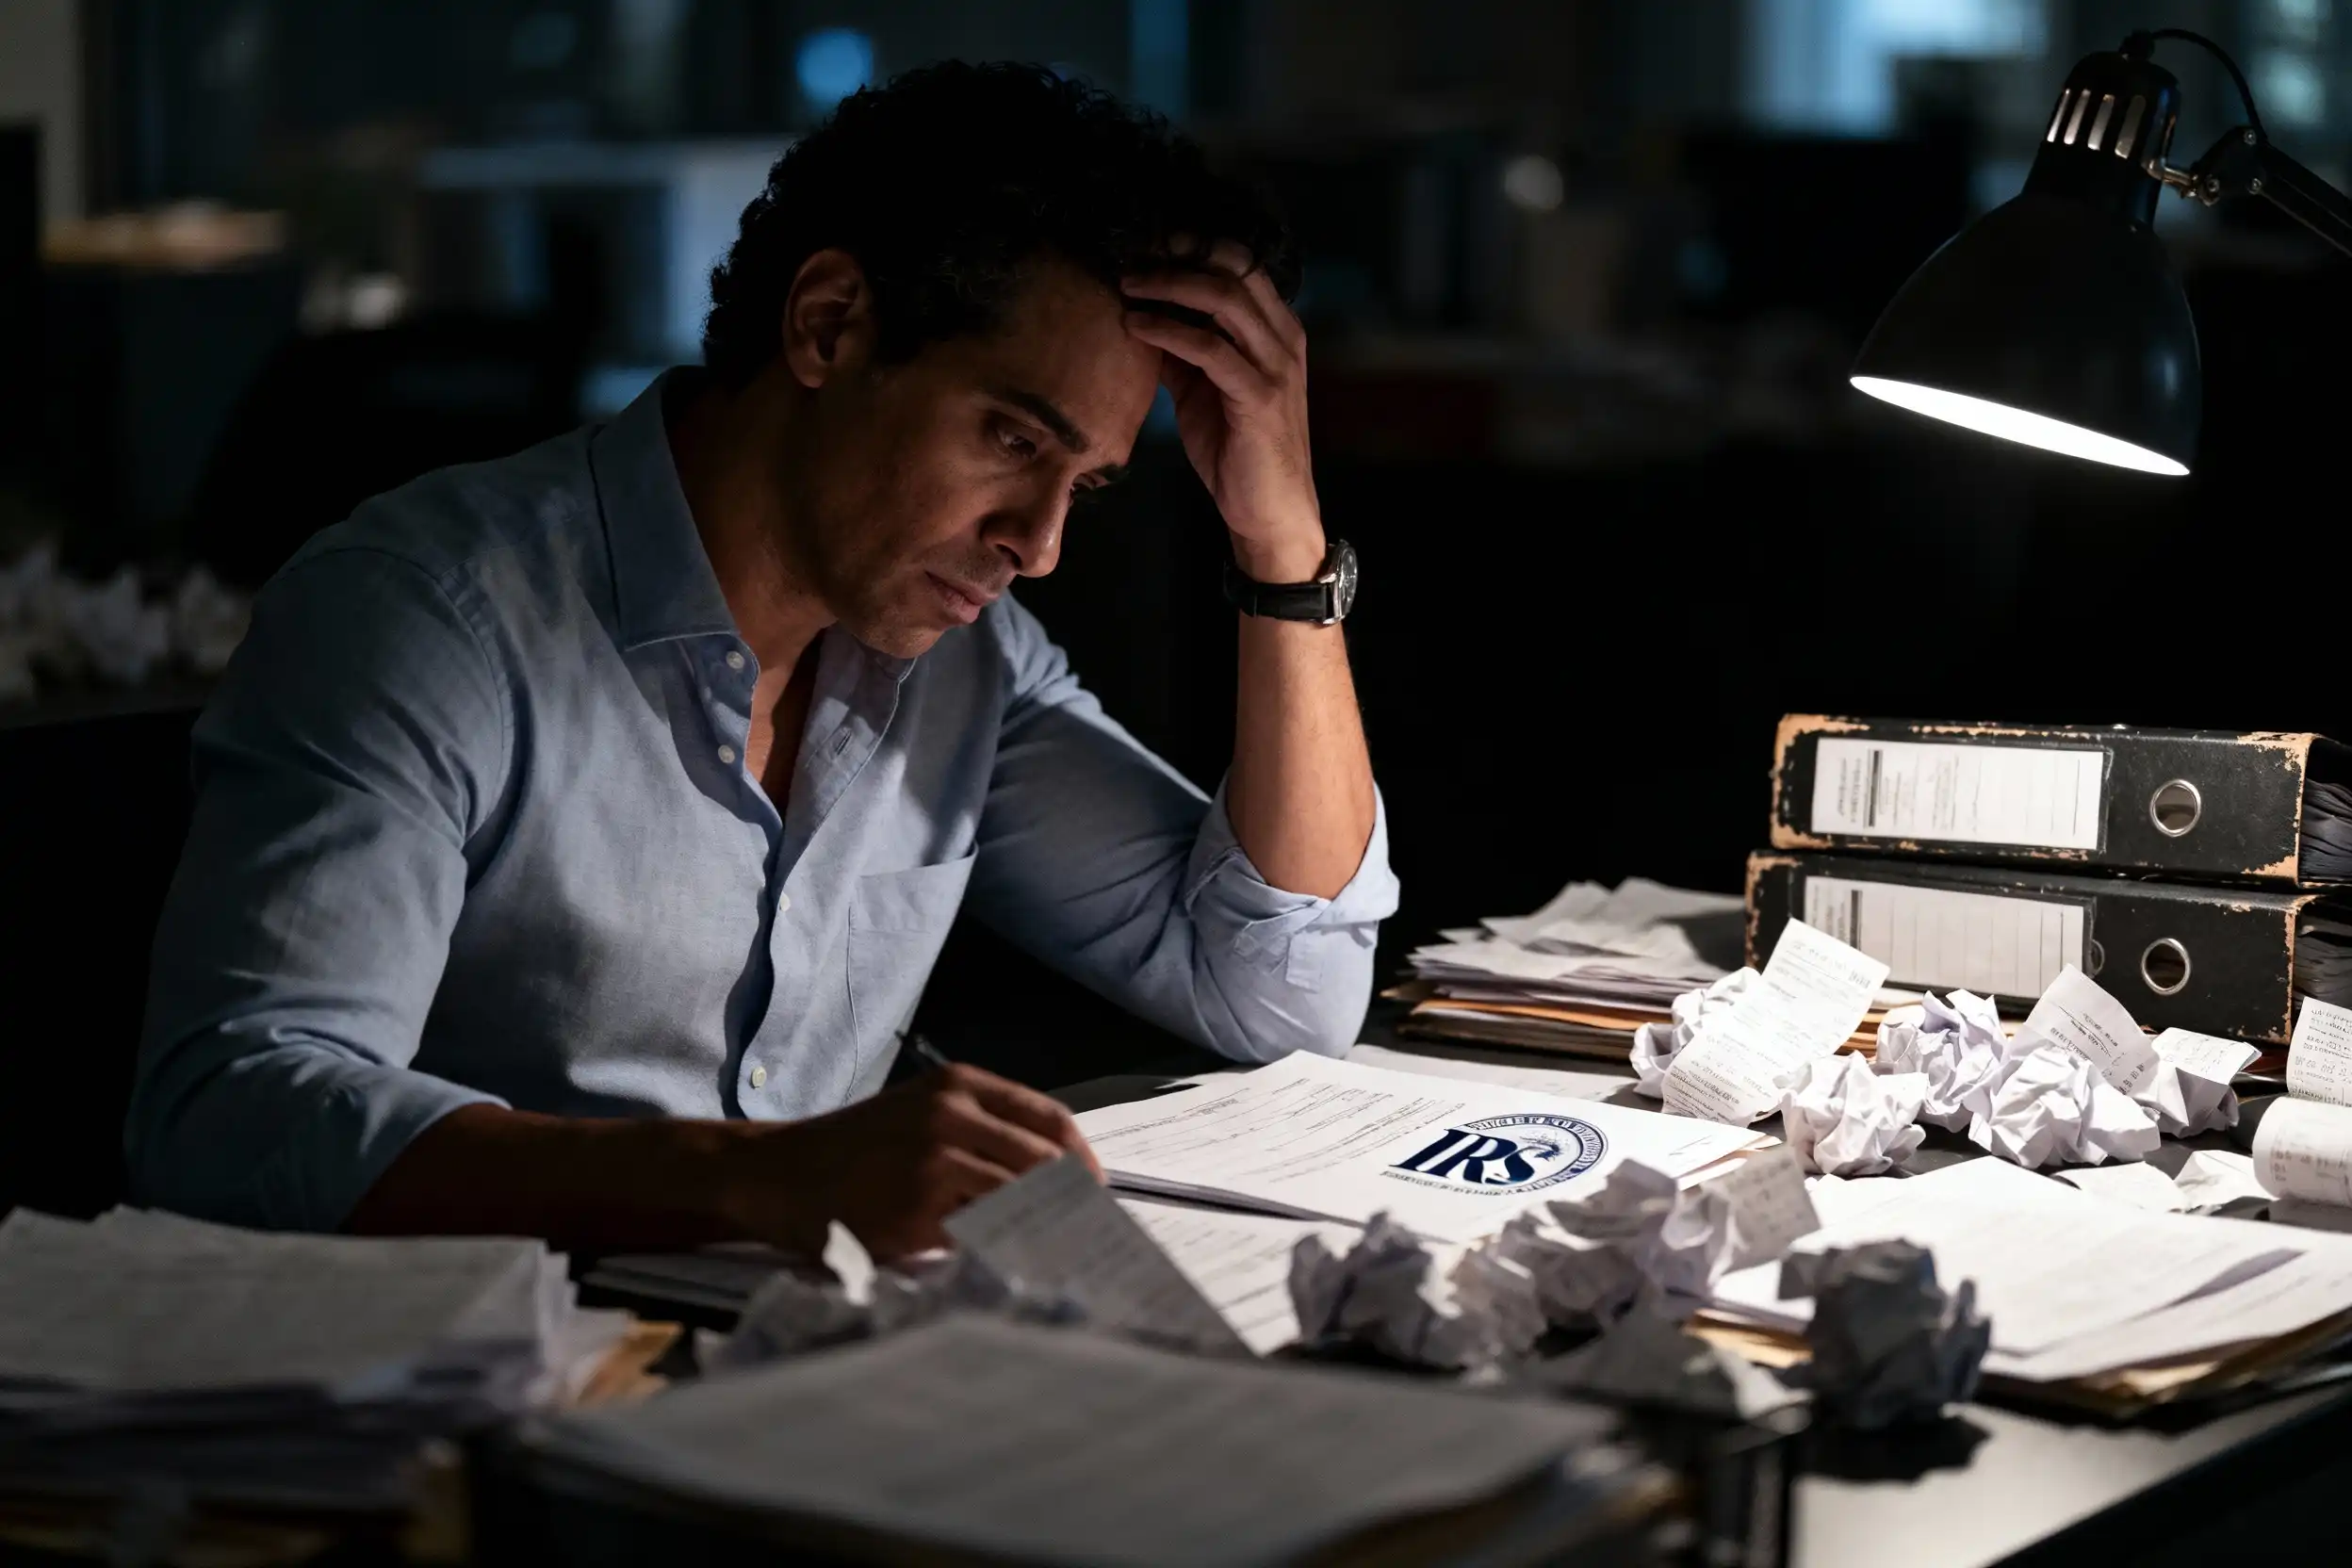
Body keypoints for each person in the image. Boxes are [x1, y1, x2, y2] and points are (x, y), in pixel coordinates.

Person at [125, 63, 1395, 1258]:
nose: (1042, 544)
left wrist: (1280, 546)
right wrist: (763, 1182)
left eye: (1090, 484)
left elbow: (1285, 993)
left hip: (805, 1387)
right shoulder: (425, 619)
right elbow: (235, 1120)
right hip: (462, 1415)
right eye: (1012, 436)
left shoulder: (965, 665)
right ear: (831, 325)